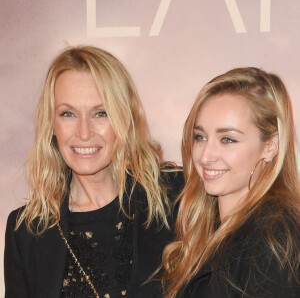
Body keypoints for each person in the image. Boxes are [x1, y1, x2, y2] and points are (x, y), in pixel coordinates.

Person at [4, 45, 183, 298]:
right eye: (68, 114)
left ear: (124, 118)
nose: (84, 133)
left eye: (101, 113)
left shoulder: (175, 195)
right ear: (51, 125)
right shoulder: (27, 232)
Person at [161, 67, 300, 297]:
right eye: (200, 137)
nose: (205, 156)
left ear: (270, 146)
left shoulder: (276, 239)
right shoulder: (204, 222)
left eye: (227, 139)